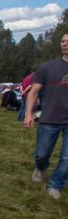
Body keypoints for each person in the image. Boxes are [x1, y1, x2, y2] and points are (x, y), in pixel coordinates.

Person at [24, 33, 68, 200]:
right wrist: (29, 114)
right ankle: (40, 167)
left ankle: (55, 184)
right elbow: (33, 92)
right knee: (42, 154)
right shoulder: (47, 67)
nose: (65, 44)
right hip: (49, 117)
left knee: (67, 157)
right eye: (62, 41)